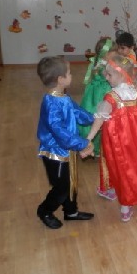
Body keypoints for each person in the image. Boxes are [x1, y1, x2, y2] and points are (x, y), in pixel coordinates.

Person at [82, 52, 137, 223]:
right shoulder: (132, 91)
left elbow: (99, 119)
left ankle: (125, 205)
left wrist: (89, 138)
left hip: (116, 139)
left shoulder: (112, 97)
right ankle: (111, 189)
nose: (106, 78)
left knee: (117, 165)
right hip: (134, 138)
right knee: (129, 165)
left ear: (121, 75)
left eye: (109, 74)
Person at [35, 56, 96, 229]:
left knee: (72, 182)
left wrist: (95, 118)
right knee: (62, 187)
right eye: (69, 73)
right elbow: (59, 131)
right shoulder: (51, 103)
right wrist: (83, 143)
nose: (71, 75)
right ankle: (45, 211)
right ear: (60, 79)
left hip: (67, 150)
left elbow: (77, 112)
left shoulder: (63, 97)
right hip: (55, 153)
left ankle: (71, 211)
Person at [79, 36, 115, 160]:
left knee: (95, 115)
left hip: (93, 91)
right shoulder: (103, 64)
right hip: (102, 92)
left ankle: (94, 146)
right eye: (113, 52)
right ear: (107, 53)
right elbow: (106, 78)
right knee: (100, 116)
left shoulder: (97, 61)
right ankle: (96, 147)